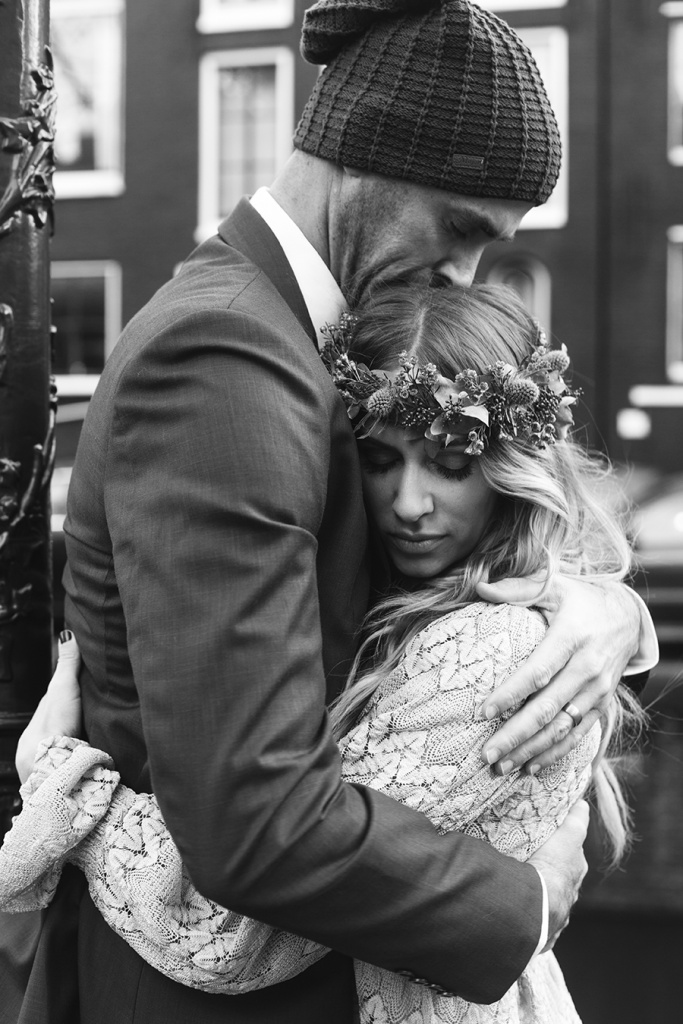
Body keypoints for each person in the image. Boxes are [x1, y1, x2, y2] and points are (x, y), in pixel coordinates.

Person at [0, 2, 657, 1023]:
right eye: (457, 229)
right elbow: (254, 819)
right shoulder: (224, 355)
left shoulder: (291, 337)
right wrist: (520, 909)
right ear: (362, 156)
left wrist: (608, 609)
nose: (462, 277)